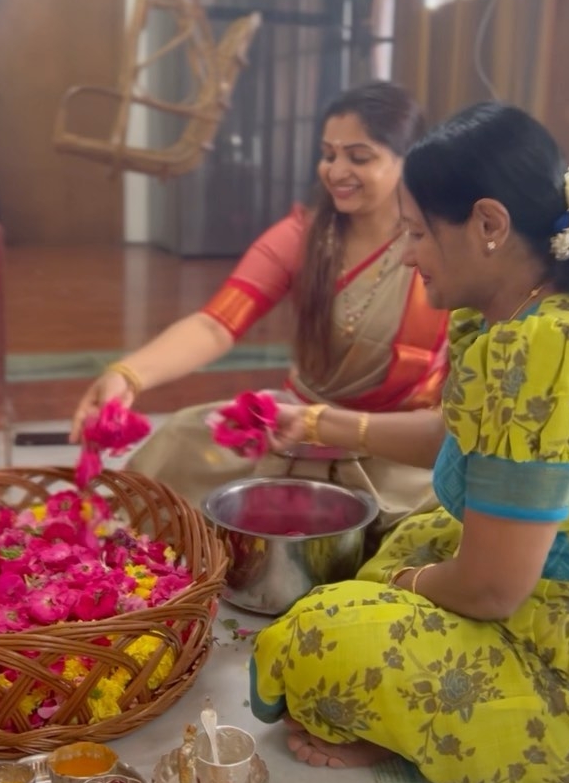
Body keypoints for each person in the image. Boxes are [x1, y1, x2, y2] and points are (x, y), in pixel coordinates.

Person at [251, 102, 569, 783]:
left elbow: (490, 589)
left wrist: (400, 589)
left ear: (489, 225)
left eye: (416, 232)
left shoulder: (544, 346)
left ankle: (403, 720)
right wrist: (323, 424)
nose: (407, 253)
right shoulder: (543, 310)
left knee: (314, 641)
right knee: (411, 536)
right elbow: (466, 441)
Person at [71, 82, 448, 522]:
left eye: (359, 157)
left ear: (410, 161)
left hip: (393, 452)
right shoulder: (303, 236)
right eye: (329, 155)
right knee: (177, 444)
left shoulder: (438, 249)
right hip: (292, 432)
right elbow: (216, 324)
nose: (336, 170)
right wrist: (127, 376)